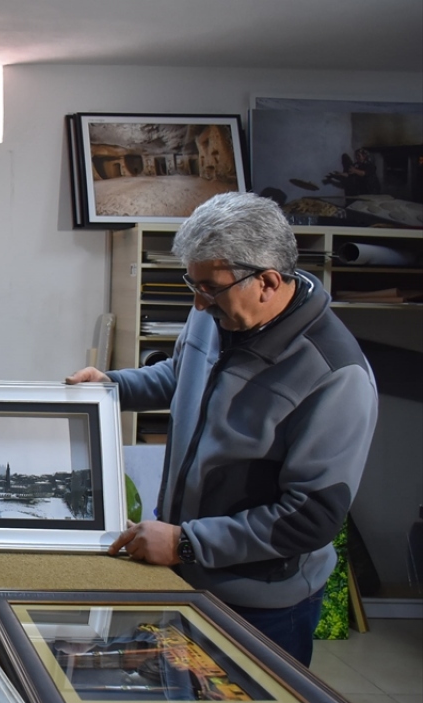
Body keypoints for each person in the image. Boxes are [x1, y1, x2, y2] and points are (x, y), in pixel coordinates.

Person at [66, 192, 378, 666]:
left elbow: (310, 517)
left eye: (209, 288)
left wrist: (186, 543)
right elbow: (181, 375)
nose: (197, 301)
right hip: (184, 572)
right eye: (192, 284)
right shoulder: (216, 311)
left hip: (262, 604)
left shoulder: (336, 375)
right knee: (179, 692)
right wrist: (112, 387)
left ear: (267, 282)